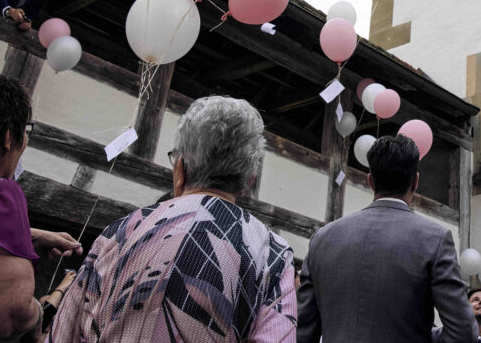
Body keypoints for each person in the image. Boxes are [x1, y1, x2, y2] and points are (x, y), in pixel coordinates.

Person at [47, 96, 296, 341]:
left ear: (180, 169)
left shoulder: (119, 232)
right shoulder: (273, 254)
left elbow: (61, 333)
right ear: (249, 181)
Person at [297, 135, 475, 343]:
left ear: (370, 181)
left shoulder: (322, 238)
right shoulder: (435, 239)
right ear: (415, 181)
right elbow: (463, 332)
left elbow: (301, 333)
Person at [0, 71, 81, 342]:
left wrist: (29, 235)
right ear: (8, 138)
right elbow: (0, 317)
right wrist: (38, 313)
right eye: (26, 130)